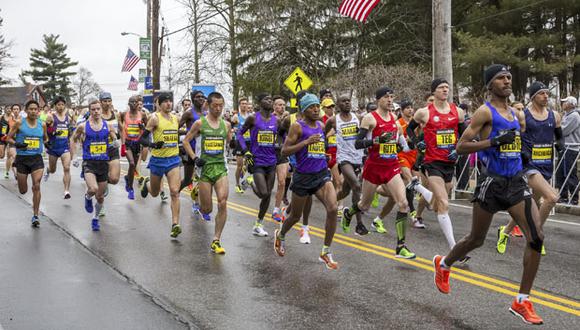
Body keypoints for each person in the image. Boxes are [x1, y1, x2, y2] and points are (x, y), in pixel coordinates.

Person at [433, 64, 544, 325]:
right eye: (500, 78)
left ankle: (522, 301)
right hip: (491, 183)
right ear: (489, 85)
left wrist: (521, 153)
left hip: (515, 182)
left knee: (537, 236)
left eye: (508, 77)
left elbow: (514, 143)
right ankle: (444, 264)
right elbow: (461, 147)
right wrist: (493, 142)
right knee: (475, 239)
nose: (507, 81)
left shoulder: (516, 113)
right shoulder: (485, 112)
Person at [342, 87, 416, 259]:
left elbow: (404, 146)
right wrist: (375, 141)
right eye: (386, 97)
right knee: (364, 205)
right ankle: (349, 213)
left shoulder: (395, 122)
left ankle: (401, 246)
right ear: (378, 100)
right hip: (374, 168)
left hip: (391, 168)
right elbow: (358, 143)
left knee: (403, 203)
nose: (390, 100)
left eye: (391, 97)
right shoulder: (370, 118)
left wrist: (416, 144)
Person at [496, 82, 562, 255]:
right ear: (533, 97)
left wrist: (560, 144)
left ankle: (505, 231)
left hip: (546, 164)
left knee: (529, 204)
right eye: (541, 93)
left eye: (547, 93)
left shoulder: (554, 115)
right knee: (551, 198)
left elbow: (558, 133)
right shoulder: (523, 115)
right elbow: (515, 135)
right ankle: (535, 236)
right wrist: (522, 152)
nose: (546, 96)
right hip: (529, 166)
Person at [274, 93, 339, 269]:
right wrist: (305, 143)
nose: (316, 109)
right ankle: (281, 235)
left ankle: (325, 251)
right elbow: (285, 151)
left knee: (333, 209)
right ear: (304, 110)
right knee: (295, 216)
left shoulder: (321, 125)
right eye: (312, 107)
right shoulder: (297, 127)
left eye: (318, 106)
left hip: (321, 174)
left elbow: (321, 146)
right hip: (303, 177)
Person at [406, 78, 466, 254]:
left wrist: (458, 149)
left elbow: (465, 135)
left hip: (450, 162)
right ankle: (454, 248)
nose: (445, 90)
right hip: (432, 162)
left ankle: (418, 187)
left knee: (436, 206)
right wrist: (418, 142)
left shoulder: (458, 112)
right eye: (441, 87)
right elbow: (410, 129)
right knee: (444, 204)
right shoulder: (424, 113)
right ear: (434, 92)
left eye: (447, 87)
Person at [183, 92, 232, 254]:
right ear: (208, 106)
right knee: (207, 210)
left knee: (223, 202)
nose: (218, 109)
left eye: (220, 105)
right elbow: (185, 141)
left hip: (220, 167)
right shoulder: (199, 123)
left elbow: (229, 141)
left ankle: (216, 240)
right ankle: (196, 193)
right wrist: (194, 158)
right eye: (215, 106)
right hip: (204, 168)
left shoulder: (226, 125)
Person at [139, 92, 183, 238]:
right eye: (165, 102)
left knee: (174, 191)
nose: (168, 104)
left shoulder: (176, 118)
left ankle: (175, 224)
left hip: (173, 160)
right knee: (155, 193)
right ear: (159, 104)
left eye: (170, 101)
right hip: (158, 161)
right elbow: (142, 139)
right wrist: (153, 145)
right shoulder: (154, 119)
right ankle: (147, 184)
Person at [237, 93, 281, 236]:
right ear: (259, 102)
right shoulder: (252, 118)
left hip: (272, 161)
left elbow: (282, 137)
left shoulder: (277, 120)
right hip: (257, 161)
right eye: (266, 99)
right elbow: (239, 134)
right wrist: (245, 151)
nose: (269, 101)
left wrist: (280, 146)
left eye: (271, 99)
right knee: (263, 193)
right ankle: (249, 181)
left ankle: (258, 224)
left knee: (268, 196)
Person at [72, 98, 119, 231]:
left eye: (98, 109)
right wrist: (76, 156)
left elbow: (114, 136)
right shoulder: (83, 126)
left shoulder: (107, 125)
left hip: (103, 163)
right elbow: (74, 138)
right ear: (90, 111)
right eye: (93, 109)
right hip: (89, 163)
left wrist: (115, 141)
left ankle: (95, 218)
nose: (96, 111)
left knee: (100, 196)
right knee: (93, 189)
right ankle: (87, 197)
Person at [325, 94, 367, 235]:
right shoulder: (333, 120)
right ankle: (359, 224)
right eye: (344, 101)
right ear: (338, 105)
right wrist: (323, 149)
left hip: (358, 157)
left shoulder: (359, 118)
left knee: (345, 191)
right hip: (344, 159)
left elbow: (366, 135)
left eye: (348, 101)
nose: (347, 103)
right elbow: (323, 135)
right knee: (356, 185)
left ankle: (329, 202)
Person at [5, 100, 48, 226]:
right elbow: (8, 138)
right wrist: (17, 143)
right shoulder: (19, 123)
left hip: (36, 159)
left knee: (36, 185)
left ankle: (35, 215)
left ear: (38, 111)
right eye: (31, 109)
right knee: (23, 190)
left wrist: (48, 142)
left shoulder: (42, 124)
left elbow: (45, 138)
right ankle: (17, 173)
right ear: (26, 110)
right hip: (22, 159)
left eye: (35, 109)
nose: (33, 111)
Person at [395, 99, 423, 228]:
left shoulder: (416, 123)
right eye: (407, 108)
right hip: (402, 155)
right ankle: (413, 213)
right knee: (410, 180)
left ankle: (378, 191)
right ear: (402, 110)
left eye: (412, 107)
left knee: (412, 183)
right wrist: (404, 140)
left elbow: (422, 135)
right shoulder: (398, 123)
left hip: (414, 155)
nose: (410, 110)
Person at [179, 90, 207, 218]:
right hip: (191, 149)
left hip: (204, 149)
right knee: (188, 179)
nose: (201, 99)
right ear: (193, 99)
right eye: (198, 97)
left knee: (202, 178)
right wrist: (189, 134)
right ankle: (176, 192)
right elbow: (176, 129)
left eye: (202, 97)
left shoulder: (207, 113)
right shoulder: (189, 113)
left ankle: (196, 203)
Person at [43, 96, 74, 199]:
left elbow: (71, 134)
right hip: (53, 148)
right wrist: (54, 131)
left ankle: (66, 191)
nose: (60, 107)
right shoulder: (50, 117)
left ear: (65, 106)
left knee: (67, 168)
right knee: (53, 170)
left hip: (64, 147)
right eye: (58, 105)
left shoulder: (68, 118)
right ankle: (48, 170)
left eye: (62, 105)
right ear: (55, 106)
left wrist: (72, 148)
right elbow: (47, 133)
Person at [118, 95, 148, 200]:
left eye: (136, 102)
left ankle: (128, 179)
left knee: (134, 166)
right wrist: (122, 143)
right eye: (132, 102)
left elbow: (148, 130)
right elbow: (120, 129)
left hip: (137, 143)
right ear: (128, 104)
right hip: (128, 143)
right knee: (131, 163)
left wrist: (143, 128)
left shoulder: (143, 115)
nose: (134, 104)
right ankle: (130, 188)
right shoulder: (123, 114)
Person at [99, 92, 123, 214]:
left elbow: (121, 129)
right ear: (100, 102)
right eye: (105, 101)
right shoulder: (97, 115)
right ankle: (100, 205)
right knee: (100, 182)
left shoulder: (116, 114)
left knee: (114, 179)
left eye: (109, 101)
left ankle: (105, 182)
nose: (107, 103)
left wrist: (123, 144)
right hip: (100, 149)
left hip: (113, 148)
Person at [557, 96, 579, 205]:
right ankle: (563, 196)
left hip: (571, 148)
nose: (562, 103)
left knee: (570, 173)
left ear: (570, 104)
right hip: (565, 148)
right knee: (561, 173)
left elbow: (563, 131)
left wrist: (557, 129)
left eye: (564, 102)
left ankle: (574, 198)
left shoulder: (574, 116)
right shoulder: (567, 115)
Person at [272, 95, 290, 222]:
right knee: (267, 187)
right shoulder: (270, 118)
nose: (282, 106)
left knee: (282, 182)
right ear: (274, 106)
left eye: (283, 105)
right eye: (279, 104)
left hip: (282, 152)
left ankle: (276, 210)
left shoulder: (287, 119)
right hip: (269, 152)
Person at [231, 97, 252, 193]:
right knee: (239, 165)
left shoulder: (251, 116)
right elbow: (230, 128)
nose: (244, 105)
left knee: (250, 163)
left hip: (249, 142)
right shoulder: (236, 117)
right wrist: (233, 130)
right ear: (240, 105)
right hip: (239, 142)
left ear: (248, 105)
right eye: (242, 103)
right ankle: (237, 184)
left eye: (245, 103)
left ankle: (245, 172)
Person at [0, 104, 19, 179]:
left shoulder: (13, 118)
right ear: (5, 109)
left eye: (9, 109)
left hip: (10, 138)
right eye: (7, 108)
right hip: (1, 138)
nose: (8, 110)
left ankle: (10, 172)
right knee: (1, 156)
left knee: (10, 155)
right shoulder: (1, 117)